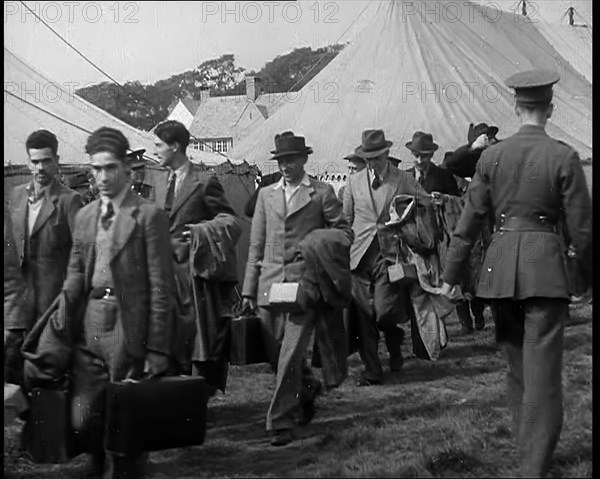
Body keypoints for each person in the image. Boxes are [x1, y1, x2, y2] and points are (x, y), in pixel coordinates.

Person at [440, 70, 592, 478]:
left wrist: (452, 273)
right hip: (545, 272)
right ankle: (533, 466)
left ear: (515, 108)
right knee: (543, 376)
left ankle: (530, 455)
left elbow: (469, 222)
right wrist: (583, 280)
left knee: (518, 372)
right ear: (551, 109)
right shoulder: (563, 156)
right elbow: (583, 229)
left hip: (501, 269)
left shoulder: (490, 157)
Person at [64, 127, 174, 478]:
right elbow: (74, 276)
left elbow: (160, 286)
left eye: (110, 167)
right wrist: (61, 328)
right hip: (90, 324)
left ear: (126, 168)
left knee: (125, 424)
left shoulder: (148, 216)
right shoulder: (84, 217)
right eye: (96, 169)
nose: (103, 177)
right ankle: (101, 464)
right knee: (83, 417)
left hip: (129, 329)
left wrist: (157, 349)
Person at [241, 131, 353, 446]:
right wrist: (249, 289)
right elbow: (256, 245)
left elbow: (344, 233)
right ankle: (305, 388)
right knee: (276, 355)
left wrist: (312, 244)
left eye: (291, 159)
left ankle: (280, 421)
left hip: (304, 286)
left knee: (290, 355)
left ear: (304, 159)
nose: (286, 166)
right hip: (269, 286)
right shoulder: (266, 195)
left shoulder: (321, 193)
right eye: (281, 161)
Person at [153, 120, 240, 391]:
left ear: (175, 146)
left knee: (199, 338)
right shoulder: (157, 181)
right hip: (163, 276)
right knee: (166, 336)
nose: (154, 150)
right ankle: (175, 396)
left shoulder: (204, 181)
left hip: (193, 277)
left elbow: (230, 220)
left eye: (158, 145)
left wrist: (203, 230)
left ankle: (200, 396)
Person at [343, 129, 423, 386]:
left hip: (389, 255)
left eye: (375, 158)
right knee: (364, 315)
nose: (370, 163)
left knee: (384, 313)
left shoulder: (403, 179)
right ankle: (372, 370)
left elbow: (424, 199)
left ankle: (394, 338)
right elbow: (346, 220)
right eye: (366, 159)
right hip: (358, 256)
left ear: (386, 154)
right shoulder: (353, 182)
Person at [4, 129, 82, 385]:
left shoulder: (70, 201)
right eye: (35, 161)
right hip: (18, 304)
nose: (40, 168)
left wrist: (66, 304)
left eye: (46, 160)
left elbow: (79, 258)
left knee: (48, 378)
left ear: (57, 160)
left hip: (52, 304)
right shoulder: (16, 196)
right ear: (28, 162)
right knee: (14, 372)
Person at [405, 131, 459, 197]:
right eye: (416, 156)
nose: (419, 161)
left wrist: (442, 200)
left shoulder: (445, 177)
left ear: (431, 155)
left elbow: (455, 203)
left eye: (424, 156)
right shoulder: (405, 177)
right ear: (411, 153)